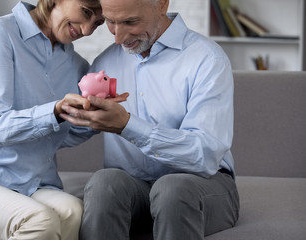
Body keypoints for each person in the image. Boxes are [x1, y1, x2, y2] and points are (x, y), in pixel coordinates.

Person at [59, 0, 240, 239]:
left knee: (171, 190)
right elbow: (71, 134)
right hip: (134, 189)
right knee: (104, 182)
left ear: (162, 5)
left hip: (202, 185)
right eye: (111, 22)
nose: (118, 37)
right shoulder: (105, 63)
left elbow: (204, 155)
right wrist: (66, 112)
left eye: (130, 22)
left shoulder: (207, 59)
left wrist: (127, 126)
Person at [0, 1, 116, 240]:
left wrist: (96, 120)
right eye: (86, 12)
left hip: (34, 184)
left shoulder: (76, 66)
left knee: (74, 211)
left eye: (98, 23)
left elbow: (61, 136)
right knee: (40, 221)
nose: (86, 30)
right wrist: (53, 111)